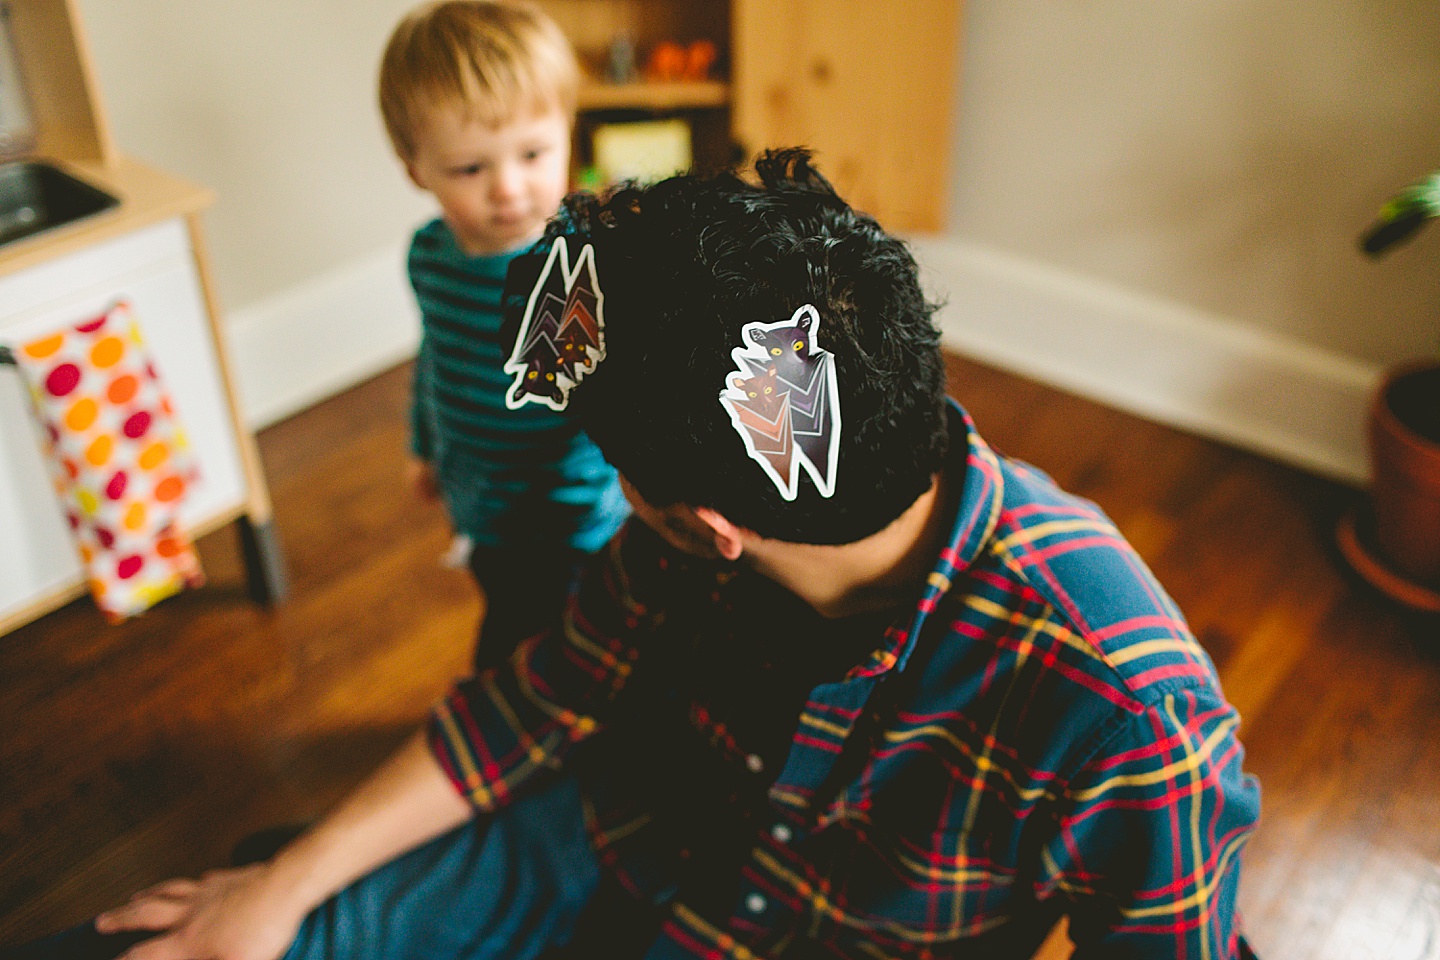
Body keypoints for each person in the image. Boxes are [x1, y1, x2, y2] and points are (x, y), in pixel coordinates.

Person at [92, 150, 1262, 960]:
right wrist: (283, 887)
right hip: (621, 844)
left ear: (705, 527)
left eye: (624, 486)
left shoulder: (1126, 713)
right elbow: (535, 702)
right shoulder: (708, 518)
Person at [381, 0, 629, 670]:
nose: (509, 187)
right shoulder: (429, 256)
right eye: (471, 168)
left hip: (575, 508)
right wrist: (422, 445)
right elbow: (434, 355)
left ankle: (520, 715)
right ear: (416, 169)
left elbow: (627, 379)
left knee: (571, 634)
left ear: (567, 134)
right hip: (481, 500)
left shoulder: (581, 260)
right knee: (513, 606)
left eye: (533, 153)